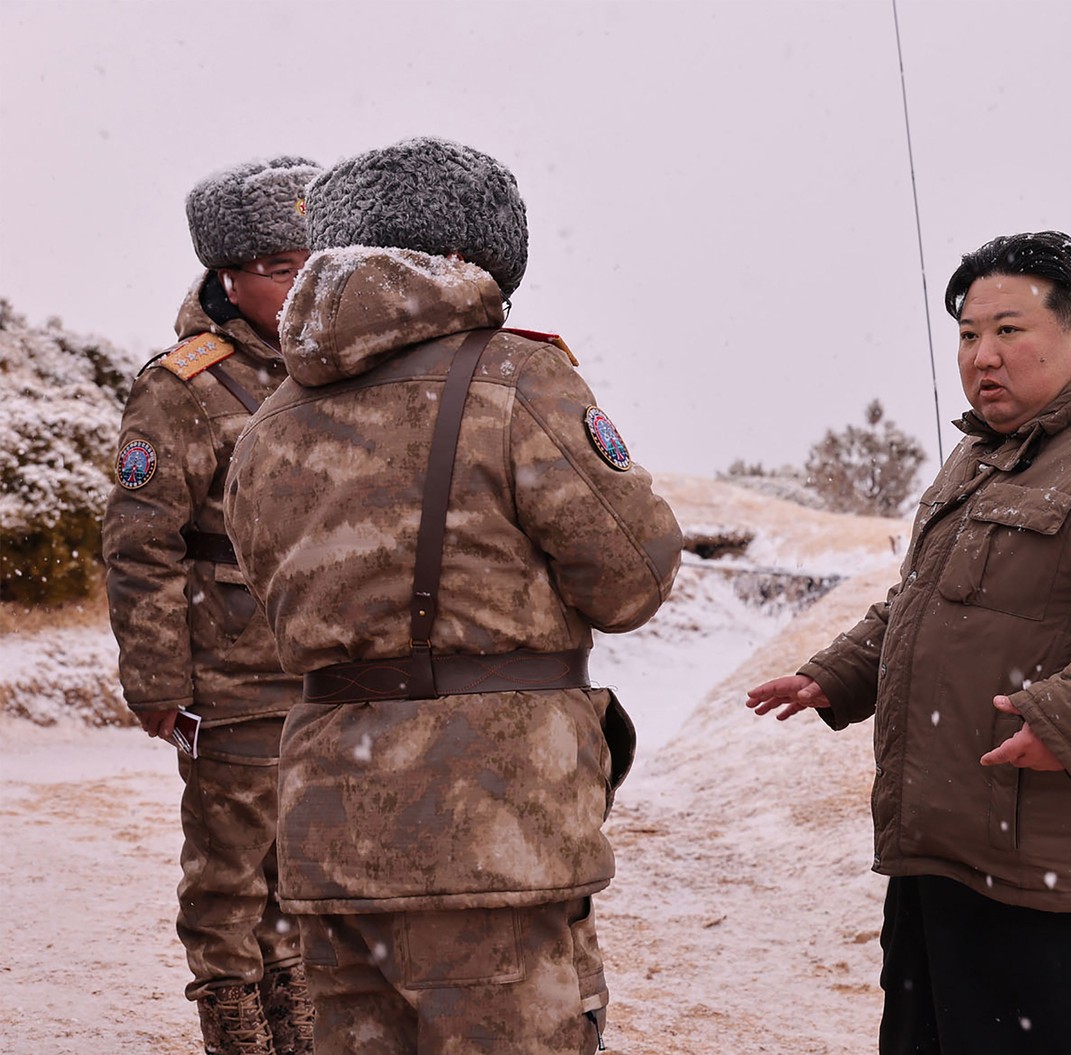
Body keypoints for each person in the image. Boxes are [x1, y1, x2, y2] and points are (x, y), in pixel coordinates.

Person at [222, 136, 682, 1055]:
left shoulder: (271, 413)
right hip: (491, 825)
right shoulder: (517, 378)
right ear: (476, 255)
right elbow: (632, 576)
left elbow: (270, 594)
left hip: (328, 826)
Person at [746, 231, 1071, 1054]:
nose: (982, 356)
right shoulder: (979, 454)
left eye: (1009, 330)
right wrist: (836, 676)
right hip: (939, 855)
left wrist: (1067, 718)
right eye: (970, 334)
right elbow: (926, 603)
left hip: (1052, 876)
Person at [103, 156, 323, 1055]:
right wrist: (157, 678)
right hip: (231, 672)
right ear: (227, 275)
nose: (300, 279)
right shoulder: (183, 384)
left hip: (331, 670)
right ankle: (233, 1020)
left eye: (315, 257)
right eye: (277, 265)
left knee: (305, 869)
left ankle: (299, 1013)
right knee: (232, 873)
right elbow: (140, 540)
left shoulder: (341, 369)